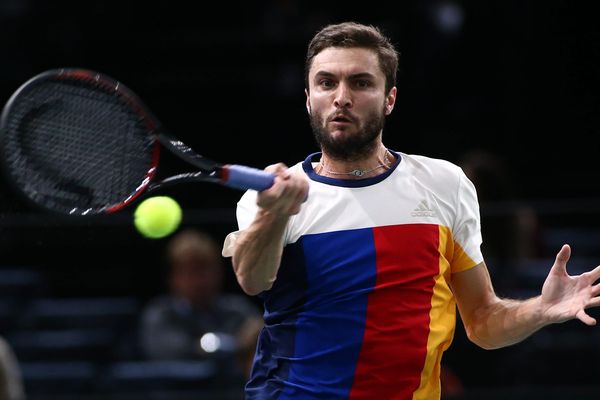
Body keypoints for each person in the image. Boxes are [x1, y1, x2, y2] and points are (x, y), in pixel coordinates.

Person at [221, 21, 600, 400]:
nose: (341, 97)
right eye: (326, 83)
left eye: (361, 82)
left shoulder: (444, 183)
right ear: (308, 97)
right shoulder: (268, 196)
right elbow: (253, 280)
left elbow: (483, 321)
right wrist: (276, 213)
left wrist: (542, 309)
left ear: (390, 99)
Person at [139, 228, 262, 377]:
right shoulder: (159, 314)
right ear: (173, 277)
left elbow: (261, 344)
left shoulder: (237, 310)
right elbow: (167, 353)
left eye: (206, 270)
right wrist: (234, 345)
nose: (200, 281)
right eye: (190, 272)